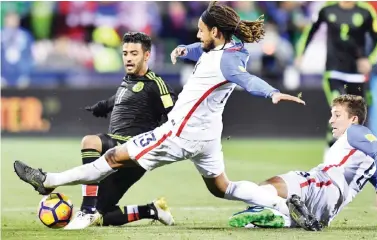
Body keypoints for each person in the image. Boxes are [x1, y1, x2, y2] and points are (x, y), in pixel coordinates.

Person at [14, 1, 306, 230]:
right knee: (223, 188)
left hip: (180, 133)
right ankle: (283, 204)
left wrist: (271, 93)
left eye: (201, 31)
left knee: (114, 157)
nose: (197, 34)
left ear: (215, 33)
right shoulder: (231, 48)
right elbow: (206, 53)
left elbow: (246, 80)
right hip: (208, 137)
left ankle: (48, 180)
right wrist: (186, 49)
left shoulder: (227, 62)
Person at [228, 95, 377, 230]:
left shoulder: (356, 131)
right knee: (282, 207)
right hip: (329, 210)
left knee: (265, 189)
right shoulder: (363, 155)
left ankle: (275, 210)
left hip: (322, 184)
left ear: (353, 119)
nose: (331, 120)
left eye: (337, 115)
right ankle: (285, 218)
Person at [69, 32, 177, 229]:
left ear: (146, 56)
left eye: (134, 53)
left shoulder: (156, 84)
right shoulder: (128, 80)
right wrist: (103, 106)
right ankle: (152, 210)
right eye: (125, 53)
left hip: (133, 149)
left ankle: (86, 210)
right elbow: (119, 98)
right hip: (117, 150)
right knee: (100, 216)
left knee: (90, 142)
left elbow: (176, 115)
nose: (128, 57)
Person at [295, 1, 377, 149]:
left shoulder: (366, 11)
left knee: (357, 115)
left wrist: (369, 60)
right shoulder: (327, 9)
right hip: (334, 71)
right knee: (340, 108)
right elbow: (310, 30)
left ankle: (355, 151)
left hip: (356, 74)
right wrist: (301, 54)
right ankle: (331, 150)